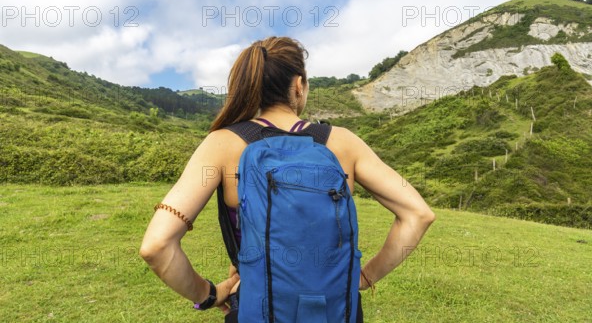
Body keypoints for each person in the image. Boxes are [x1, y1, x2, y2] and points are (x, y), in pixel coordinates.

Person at [139, 36, 436, 321]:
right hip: (336, 310)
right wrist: (364, 276)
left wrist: (208, 294)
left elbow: (157, 245)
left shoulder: (222, 144)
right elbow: (418, 214)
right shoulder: (343, 143)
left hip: (257, 308)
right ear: (298, 85)